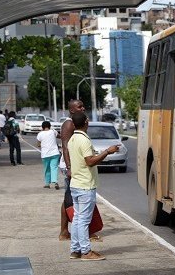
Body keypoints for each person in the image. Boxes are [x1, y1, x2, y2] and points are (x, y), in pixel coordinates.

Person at [68, 111, 119, 261]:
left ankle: (75, 250)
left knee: (78, 219)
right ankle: (86, 252)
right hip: (85, 185)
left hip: (76, 184)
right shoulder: (83, 140)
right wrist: (107, 152)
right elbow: (89, 161)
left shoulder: (73, 138)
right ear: (86, 123)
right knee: (83, 220)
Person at [59, 100, 85, 241]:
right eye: (79, 106)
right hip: (70, 167)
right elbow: (65, 146)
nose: (83, 108)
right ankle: (64, 231)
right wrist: (70, 167)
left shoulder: (76, 122)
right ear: (72, 110)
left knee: (72, 198)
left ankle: (67, 231)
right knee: (70, 198)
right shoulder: (69, 124)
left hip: (75, 165)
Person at [37, 121, 61, 189]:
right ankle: (55, 182)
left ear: (42, 127)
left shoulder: (40, 134)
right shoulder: (53, 131)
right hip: (55, 153)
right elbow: (60, 136)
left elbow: (38, 144)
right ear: (50, 126)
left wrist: (42, 144)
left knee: (47, 169)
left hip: (45, 155)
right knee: (54, 168)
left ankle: (47, 184)